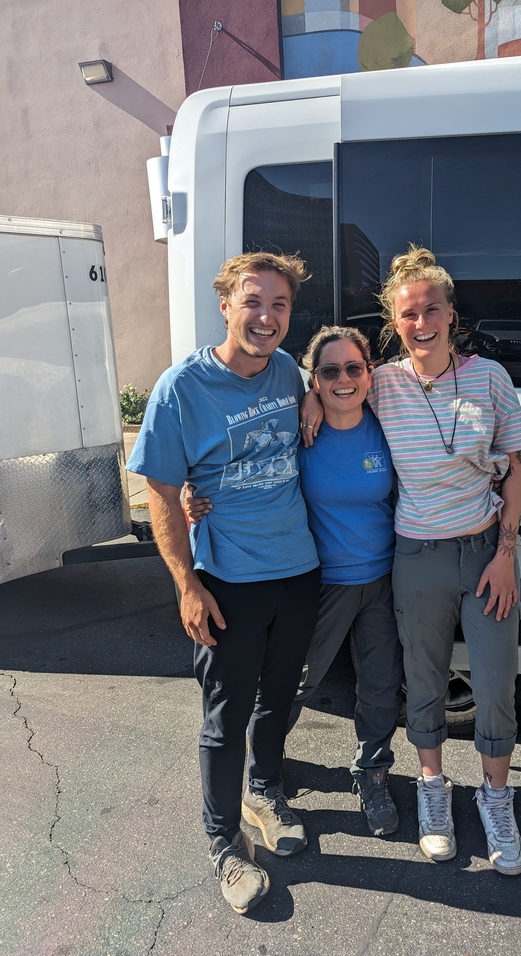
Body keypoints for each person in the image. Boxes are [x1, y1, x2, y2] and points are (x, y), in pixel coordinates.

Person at [302, 246, 521, 873]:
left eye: (432, 309)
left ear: (451, 314)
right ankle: (434, 790)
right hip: (417, 555)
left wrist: (506, 552)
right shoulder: (384, 383)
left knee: (494, 683)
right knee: (424, 681)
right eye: (409, 313)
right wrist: (309, 399)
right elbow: (334, 381)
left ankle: (496, 798)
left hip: (485, 553)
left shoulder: (490, 377)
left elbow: (514, 468)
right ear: (395, 323)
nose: (422, 322)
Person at [126, 252, 321, 916]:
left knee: (279, 697)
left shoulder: (289, 372)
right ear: (226, 305)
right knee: (225, 716)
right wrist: (187, 584)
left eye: (279, 305)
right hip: (228, 578)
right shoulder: (182, 388)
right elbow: (159, 492)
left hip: (297, 570)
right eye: (253, 301)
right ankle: (223, 843)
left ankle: (264, 791)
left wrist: (315, 393)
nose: (266, 317)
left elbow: (332, 390)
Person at [186, 326, 404, 837]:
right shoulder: (296, 434)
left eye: (354, 368)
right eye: (329, 371)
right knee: (294, 683)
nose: (344, 379)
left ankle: (372, 772)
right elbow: (237, 470)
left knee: (380, 686)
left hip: (383, 577)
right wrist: (189, 495)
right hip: (321, 582)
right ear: (313, 379)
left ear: (369, 372)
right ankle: (262, 773)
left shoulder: (388, 425)